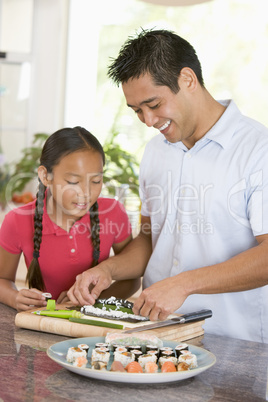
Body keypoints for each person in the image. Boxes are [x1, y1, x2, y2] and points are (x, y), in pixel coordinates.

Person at [67, 29, 268, 343]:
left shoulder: (258, 150)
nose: (148, 120)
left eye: (154, 104)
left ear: (187, 79)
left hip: (233, 342)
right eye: (137, 111)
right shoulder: (155, 151)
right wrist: (109, 270)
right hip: (155, 337)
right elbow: (150, 241)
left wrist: (184, 283)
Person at [0, 126, 140, 311]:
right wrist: (15, 297)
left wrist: (89, 302)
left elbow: (131, 279)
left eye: (96, 181)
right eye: (73, 182)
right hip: (43, 322)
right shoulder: (17, 220)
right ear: (45, 176)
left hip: (92, 322)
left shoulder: (113, 213)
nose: (87, 193)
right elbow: (2, 280)